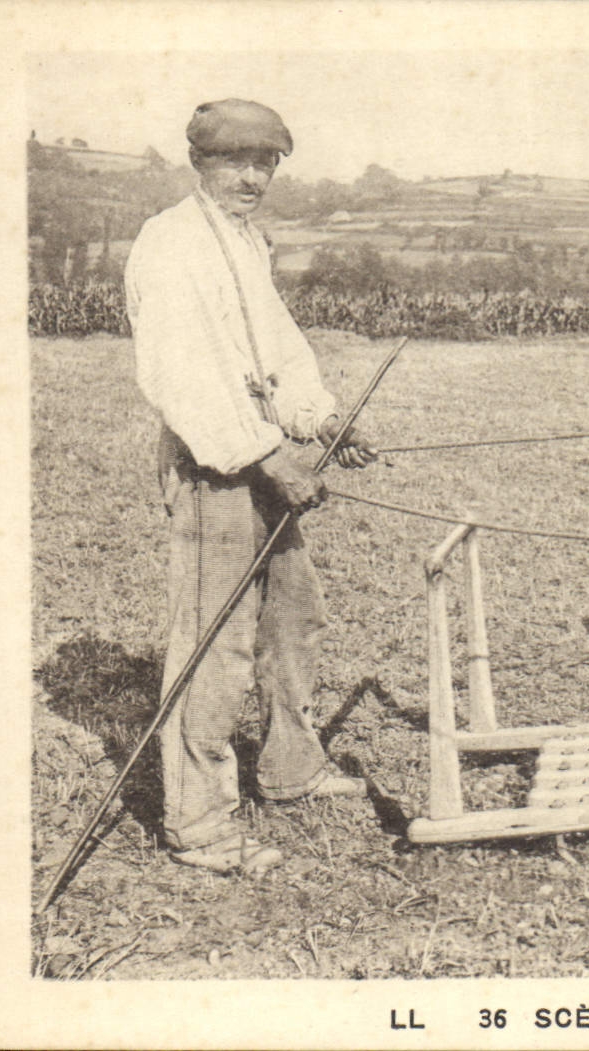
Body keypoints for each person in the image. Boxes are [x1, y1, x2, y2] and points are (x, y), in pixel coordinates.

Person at [125, 99, 379, 873]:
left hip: (270, 457)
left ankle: (291, 766)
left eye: (266, 162)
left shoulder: (245, 242)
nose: (254, 177)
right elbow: (185, 379)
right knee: (217, 643)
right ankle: (199, 820)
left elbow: (278, 349)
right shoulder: (167, 245)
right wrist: (272, 460)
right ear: (200, 163)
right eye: (238, 160)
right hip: (216, 468)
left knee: (295, 616)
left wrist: (325, 419)